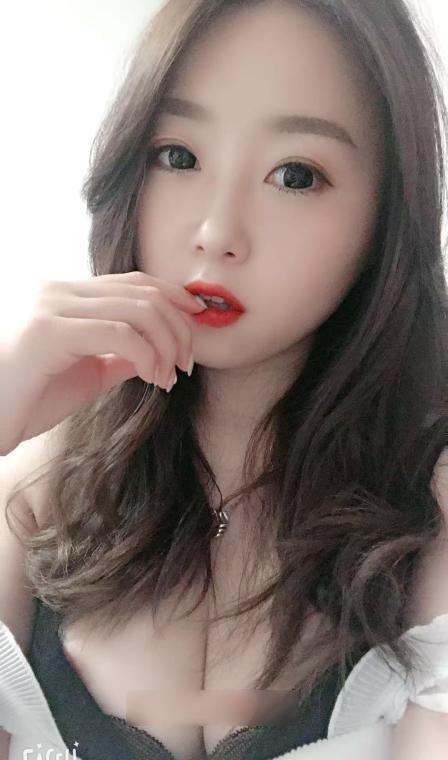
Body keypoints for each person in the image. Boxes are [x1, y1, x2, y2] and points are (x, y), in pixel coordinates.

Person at [1, 0, 448, 758]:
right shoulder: (36, 493)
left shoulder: (430, 508)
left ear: (385, 216)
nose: (216, 233)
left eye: (295, 175)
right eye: (178, 156)